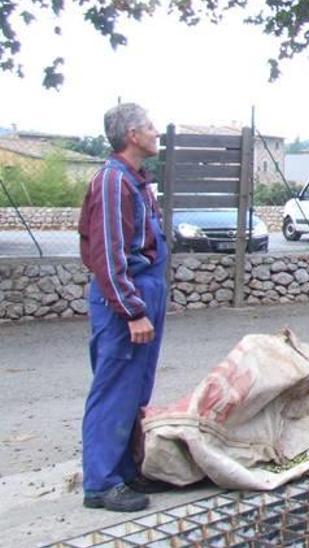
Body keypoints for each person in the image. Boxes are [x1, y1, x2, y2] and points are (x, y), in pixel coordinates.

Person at [78, 103, 172, 512]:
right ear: (132, 135)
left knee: (136, 388)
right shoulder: (114, 182)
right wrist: (132, 311)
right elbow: (109, 254)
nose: (157, 133)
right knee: (114, 388)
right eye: (150, 126)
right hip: (125, 296)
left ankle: (125, 469)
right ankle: (100, 483)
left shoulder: (137, 182)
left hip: (146, 289)